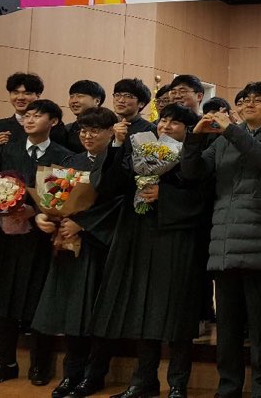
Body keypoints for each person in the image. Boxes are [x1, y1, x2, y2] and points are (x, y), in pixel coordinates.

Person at [181, 82, 261, 398]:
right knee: (228, 329)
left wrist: (231, 130)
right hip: (225, 243)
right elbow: (193, 172)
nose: (248, 104)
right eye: (245, 100)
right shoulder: (224, 140)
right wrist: (195, 137)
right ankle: (228, 388)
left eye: (257, 100)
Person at [90, 103, 212, 398]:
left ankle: (178, 384)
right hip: (141, 237)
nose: (165, 126)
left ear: (189, 128)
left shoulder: (200, 154)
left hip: (178, 239)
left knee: (178, 313)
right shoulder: (142, 151)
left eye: (174, 122)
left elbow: (204, 198)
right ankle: (143, 380)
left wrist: (164, 194)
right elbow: (110, 186)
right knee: (143, 308)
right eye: (163, 121)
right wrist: (117, 144)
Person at [0, 99, 73, 388]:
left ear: (53, 121)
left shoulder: (63, 156)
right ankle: (5, 363)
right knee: (3, 299)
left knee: (39, 300)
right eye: (27, 115)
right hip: (2, 235)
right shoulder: (6, 149)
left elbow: (62, 200)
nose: (29, 119)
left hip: (39, 238)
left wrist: (35, 211)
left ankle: (40, 364)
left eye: (37, 115)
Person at [32, 107, 119, 398]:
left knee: (97, 314)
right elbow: (55, 200)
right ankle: (71, 374)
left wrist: (83, 224)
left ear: (111, 132)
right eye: (83, 130)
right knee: (72, 312)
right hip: (71, 247)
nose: (87, 136)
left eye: (95, 130)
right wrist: (46, 218)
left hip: (101, 247)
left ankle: (94, 375)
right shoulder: (72, 161)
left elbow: (118, 204)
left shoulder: (119, 161)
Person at [0, 72, 67, 149]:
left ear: (38, 95)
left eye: (27, 93)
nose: (20, 98)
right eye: (15, 93)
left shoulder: (52, 125)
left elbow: (61, 153)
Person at [64, 80, 106, 153]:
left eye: (80, 96)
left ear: (97, 101)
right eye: (71, 97)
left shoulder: (108, 128)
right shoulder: (68, 129)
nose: (74, 101)